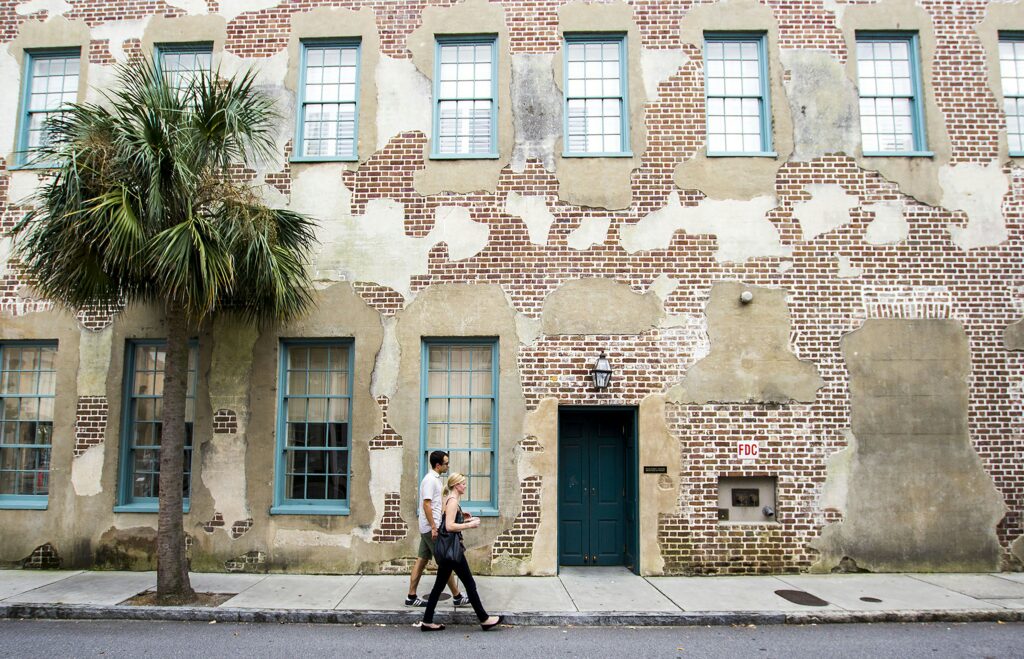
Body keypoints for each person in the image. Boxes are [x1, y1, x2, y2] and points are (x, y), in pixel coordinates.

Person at [420, 473, 503, 632]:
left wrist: (463, 518)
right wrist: (469, 525)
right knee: (469, 584)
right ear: (456, 485)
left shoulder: (451, 500)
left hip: (448, 552)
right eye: (463, 483)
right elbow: (450, 527)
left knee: (438, 588)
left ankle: (427, 621)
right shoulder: (452, 501)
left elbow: (445, 523)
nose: (465, 486)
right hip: (453, 552)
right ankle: (484, 619)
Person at [406, 450, 468, 607]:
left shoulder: (436, 480)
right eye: (446, 463)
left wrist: (458, 511)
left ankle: (411, 596)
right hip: (430, 529)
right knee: (445, 561)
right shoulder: (430, 480)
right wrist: (434, 527)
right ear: (438, 465)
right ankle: (457, 596)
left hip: (429, 527)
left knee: (422, 560)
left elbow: (437, 504)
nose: (448, 466)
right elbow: (427, 504)